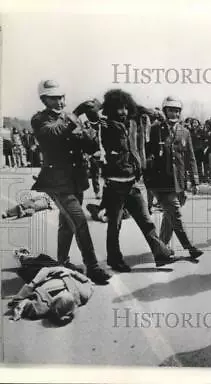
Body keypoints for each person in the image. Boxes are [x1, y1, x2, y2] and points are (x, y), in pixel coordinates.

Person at [31, 80, 111, 285]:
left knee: (66, 224)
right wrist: (76, 114)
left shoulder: (70, 118)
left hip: (76, 180)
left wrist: (93, 127)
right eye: (54, 98)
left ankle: (62, 262)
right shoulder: (39, 119)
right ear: (44, 99)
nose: (59, 101)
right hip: (57, 181)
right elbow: (52, 134)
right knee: (80, 222)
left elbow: (88, 144)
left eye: (61, 97)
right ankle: (92, 267)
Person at [100, 89, 177, 272]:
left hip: (132, 182)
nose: (124, 112)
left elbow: (147, 113)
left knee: (146, 221)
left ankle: (160, 254)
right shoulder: (107, 126)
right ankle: (114, 259)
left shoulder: (132, 123)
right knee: (115, 225)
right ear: (111, 109)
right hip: (114, 184)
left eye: (126, 108)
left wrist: (139, 108)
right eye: (119, 109)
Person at [145, 96, 203, 258]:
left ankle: (161, 248)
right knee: (175, 213)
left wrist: (195, 180)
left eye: (177, 111)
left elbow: (190, 157)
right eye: (171, 110)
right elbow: (149, 153)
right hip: (161, 182)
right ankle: (190, 247)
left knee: (169, 215)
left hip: (179, 182)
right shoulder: (156, 129)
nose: (174, 114)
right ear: (165, 111)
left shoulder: (185, 132)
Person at [8, 248, 94, 325]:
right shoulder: (82, 295)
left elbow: (16, 302)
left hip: (39, 276)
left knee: (28, 267)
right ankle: (31, 258)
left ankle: (23, 257)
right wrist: (71, 272)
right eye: (66, 292)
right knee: (46, 259)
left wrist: (33, 283)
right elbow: (88, 282)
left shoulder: (40, 308)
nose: (64, 291)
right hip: (59, 270)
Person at [74, 99, 104, 200]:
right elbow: (85, 145)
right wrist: (90, 154)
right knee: (95, 175)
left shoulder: (106, 127)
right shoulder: (87, 133)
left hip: (106, 155)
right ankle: (97, 192)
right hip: (94, 156)